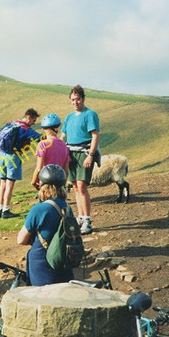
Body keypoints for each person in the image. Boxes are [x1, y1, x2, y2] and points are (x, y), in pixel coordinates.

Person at [17, 164, 75, 286]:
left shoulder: (38, 209)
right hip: (64, 263)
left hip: (42, 265)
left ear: (43, 187)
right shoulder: (67, 208)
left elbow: (21, 240)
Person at [60, 85, 100, 235]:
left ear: (83, 99)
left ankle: (87, 220)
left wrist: (90, 155)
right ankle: (81, 217)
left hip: (83, 152)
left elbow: (95, 135)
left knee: (82, 187)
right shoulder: (69, 117)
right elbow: (63, 136)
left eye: (77, 99)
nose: (75, 102)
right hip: (71, 153)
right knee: (75, 187)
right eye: (72, 100)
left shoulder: (90, 114)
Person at [0, 108, 42, 219]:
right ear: (28, 117)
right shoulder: (26, 129)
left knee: (2, 184)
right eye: (33, 120)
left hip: (1, 155)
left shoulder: (11, 123)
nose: (33, 123)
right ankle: (6, 210)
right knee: (10, 184)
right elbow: (40, 138)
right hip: (13, 157)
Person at [31, 113, 70, 190]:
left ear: (45, 129)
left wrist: (33, 182)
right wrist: (63, 185)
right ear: (56, 128)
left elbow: (39, 168)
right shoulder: (64, 145)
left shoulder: (42, 144)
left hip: (46, 180)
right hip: (59, 181)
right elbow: (66, 170)